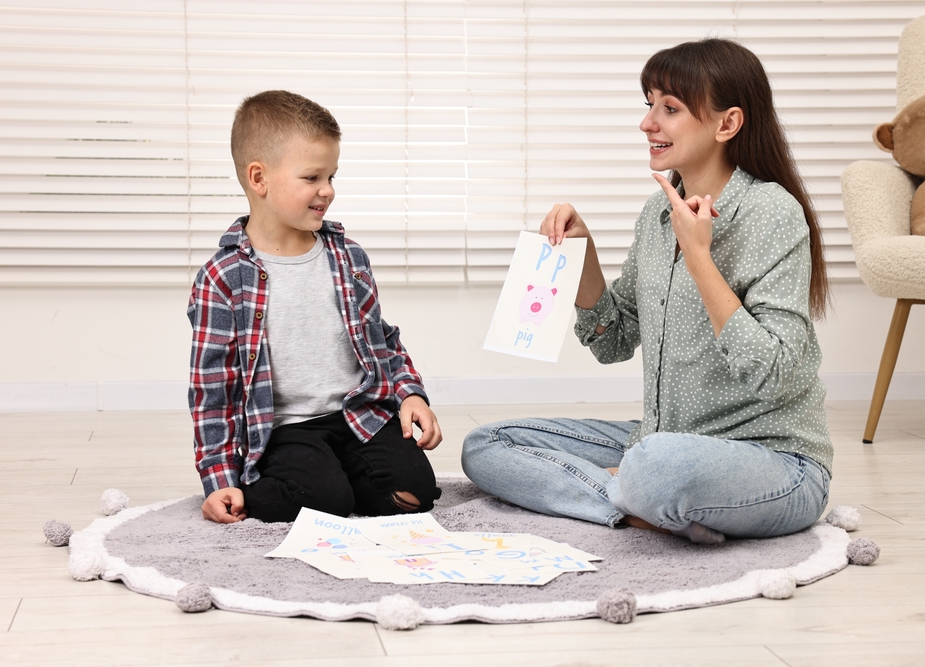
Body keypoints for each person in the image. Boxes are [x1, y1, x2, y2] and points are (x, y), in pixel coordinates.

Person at [461, 38, 833, 544]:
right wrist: (584, 257)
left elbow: (773, 374)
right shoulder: (656, 215)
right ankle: (637, 507)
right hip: (660, 440)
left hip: (773, 463)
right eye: (649, 104)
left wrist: (699, 256)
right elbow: (613, 342)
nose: (647, 123)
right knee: (488, 444)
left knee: (656, 466)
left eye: (670, 108)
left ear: (727, 124)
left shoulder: (772, 212)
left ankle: (638, 492)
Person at [188, 90, 442, 524]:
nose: (327, 191)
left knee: (414, 492)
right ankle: (302, 484)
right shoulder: (223, 278)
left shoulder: (348, 258)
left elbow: (381, 338)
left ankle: (337, 480)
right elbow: (213, 394)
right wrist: (219, 477)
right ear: (259, 178)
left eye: (332, 176)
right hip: (283, 429)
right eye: (312, 178)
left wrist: (409, 393)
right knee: (325, 500)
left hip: (356, 414)